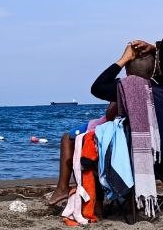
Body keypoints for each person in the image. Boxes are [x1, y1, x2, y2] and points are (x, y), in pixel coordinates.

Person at [47, 47, 156, 205]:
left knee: (67, 138)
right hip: (149, 146)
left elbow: (97, 88)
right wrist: (154, 48)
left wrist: (122, 59)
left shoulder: (125, 87)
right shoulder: (159, 87)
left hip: (118, 138)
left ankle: (62, 188)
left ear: (126, 70)